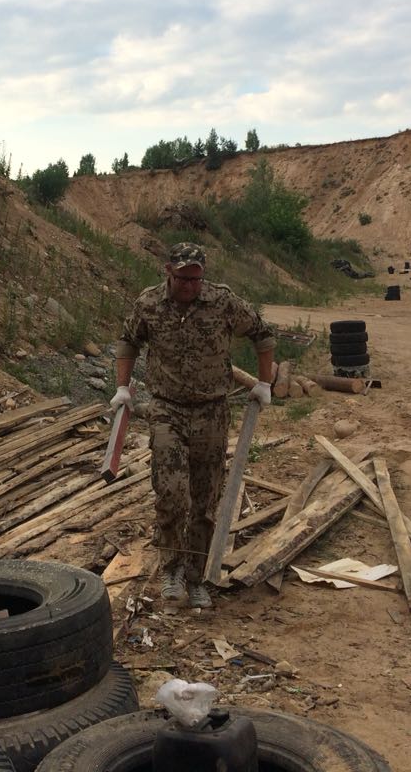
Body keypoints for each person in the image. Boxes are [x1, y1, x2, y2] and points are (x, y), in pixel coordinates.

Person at [112, 242, 274, 608]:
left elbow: (262, 333)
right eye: (183, 278)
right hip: (166, 409)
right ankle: (171, 568)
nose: (189, 286)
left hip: (211, 412)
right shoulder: (149, 304)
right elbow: (128, 341)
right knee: (171, 492)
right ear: (168, 271)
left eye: (196, 279)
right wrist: (122, 388)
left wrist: (264, 383)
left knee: (204, 500)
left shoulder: (222, 301)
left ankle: (196, 576)